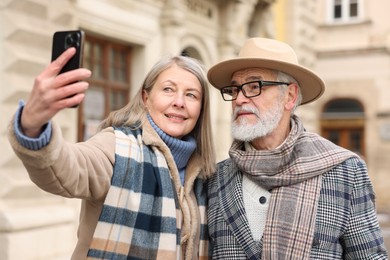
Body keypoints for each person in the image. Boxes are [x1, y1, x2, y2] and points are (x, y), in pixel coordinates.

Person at [7, 47, 216, 259]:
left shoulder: (205, 174)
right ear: (146, 97)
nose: (179, 102)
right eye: (168, 90)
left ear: (201, 108)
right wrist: (33, 127)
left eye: (191, 95)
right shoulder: (117, 146)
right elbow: (69, 168)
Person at [206, 37, 388, 259]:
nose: (240, 99)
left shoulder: (345, 171)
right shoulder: (216, 177)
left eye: (254, 86)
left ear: (289, 97)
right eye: (234, 90)